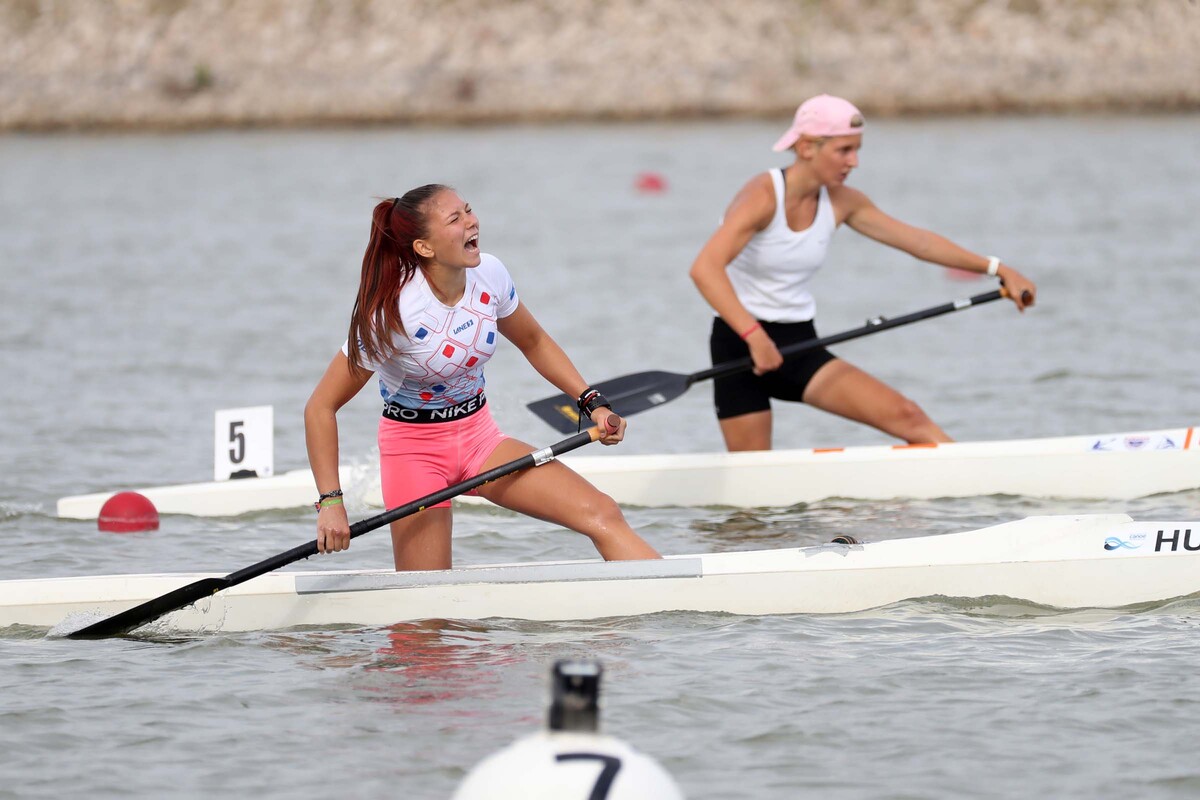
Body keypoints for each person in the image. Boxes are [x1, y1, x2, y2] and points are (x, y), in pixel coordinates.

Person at [305, 184, 661, 570]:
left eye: (469, 210)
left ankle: (669, 608)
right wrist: (331, 502)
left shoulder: (489, 274)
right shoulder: (393, 315)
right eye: (454, 218)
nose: (471, 221)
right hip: (414, 452)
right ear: (424, 247)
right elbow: (320, 408)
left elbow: (534, 341)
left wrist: (592, 401)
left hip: (480, 438)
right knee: (427, 610)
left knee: (603, 514)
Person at [688, 94, 1038, 452]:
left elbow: (918, 242)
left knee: (908, 416)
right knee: (754, 486)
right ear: (807, 147)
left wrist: (997, 268)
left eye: (857, 150)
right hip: (740, 346)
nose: (853, 161)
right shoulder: (761, 196)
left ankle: (973, 484)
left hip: (799, 345)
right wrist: (755, 336)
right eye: (844, 150)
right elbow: (705, 268)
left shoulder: (842, 201)